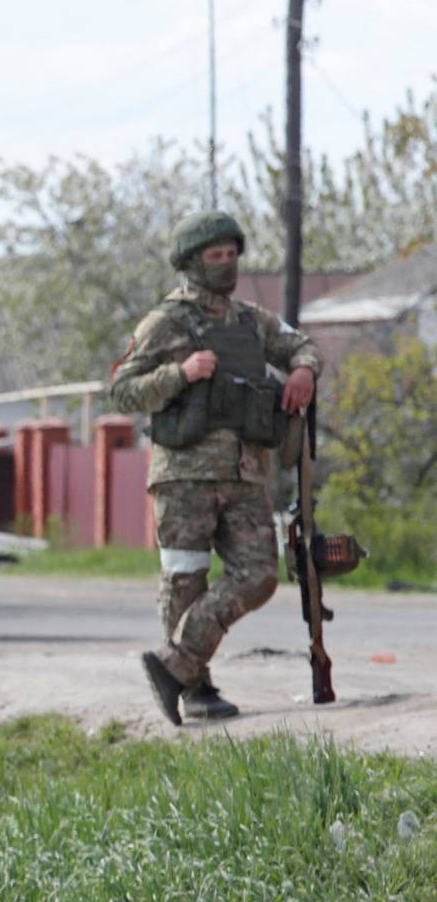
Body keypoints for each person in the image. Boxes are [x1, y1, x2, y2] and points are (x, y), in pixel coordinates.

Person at [108, 211, 322, 726]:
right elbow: (122, 388)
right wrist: (180, 373)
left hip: (246, 472)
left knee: (260, 575)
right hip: (183, 475)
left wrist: (303, 370)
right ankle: (195, 689)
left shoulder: (251, 321)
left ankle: (173, 665)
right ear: (191, 262)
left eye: (232, 254)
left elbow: (302, 344)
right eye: (215, 256)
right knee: (185, 581)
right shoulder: (167, 322)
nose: (226, 265)